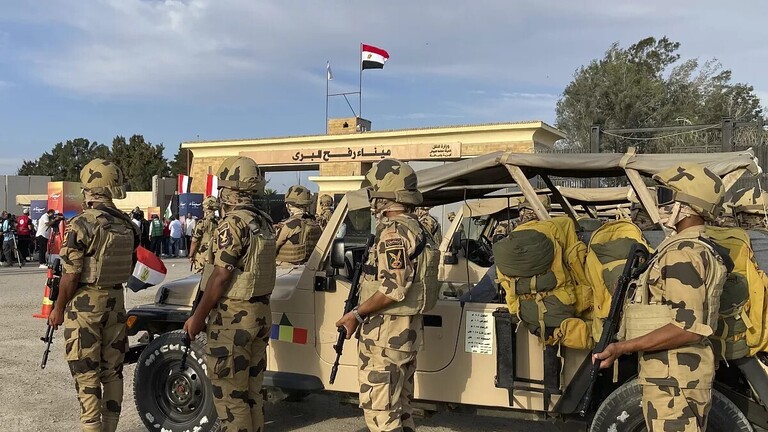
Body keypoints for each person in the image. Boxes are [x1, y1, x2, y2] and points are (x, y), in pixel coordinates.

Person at [593, 164, 728, 432]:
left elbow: (687, 328)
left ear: (687, 206)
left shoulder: (682, 253)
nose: (661, 204)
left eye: (667, 196)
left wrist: (622, 347)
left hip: (674, 381)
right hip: (673, 377)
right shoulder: (692, 246)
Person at [335, 159, 438, 432]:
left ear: (385, 195)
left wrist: (356, 314)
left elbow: (393, 289)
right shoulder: (418, 228)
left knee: (381, 413)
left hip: (386, 337)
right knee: (400, 409)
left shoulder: (394, 233)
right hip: (403, 335)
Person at [183, 156, 276, 432]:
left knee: (231, 398)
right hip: (260, 314)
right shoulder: (264, 222)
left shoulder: (233, 223)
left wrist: (198, 317)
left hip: (233, 320)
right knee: (252, 394)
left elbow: (221, 275)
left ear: (228, 190)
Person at [46, 159, 140, 432]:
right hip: (116, 303)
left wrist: (58, 308)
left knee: (86, 374)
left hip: (86, 306)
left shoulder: (81, 224)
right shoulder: (128, 225)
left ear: (89, 187)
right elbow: (132, 264)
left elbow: (71, 275)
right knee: (112, 372)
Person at [275, 185, 322, 265]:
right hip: (310, 266)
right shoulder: (314, 222)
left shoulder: (289, 225)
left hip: (287, 268)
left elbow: (273, 248)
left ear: (288, 205)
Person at [188, 196, 219, 273]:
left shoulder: (202, 222)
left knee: (203, 277)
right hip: (216, 254)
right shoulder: (220, 221)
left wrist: (190, 255)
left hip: (203, 255)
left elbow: (195, 241)